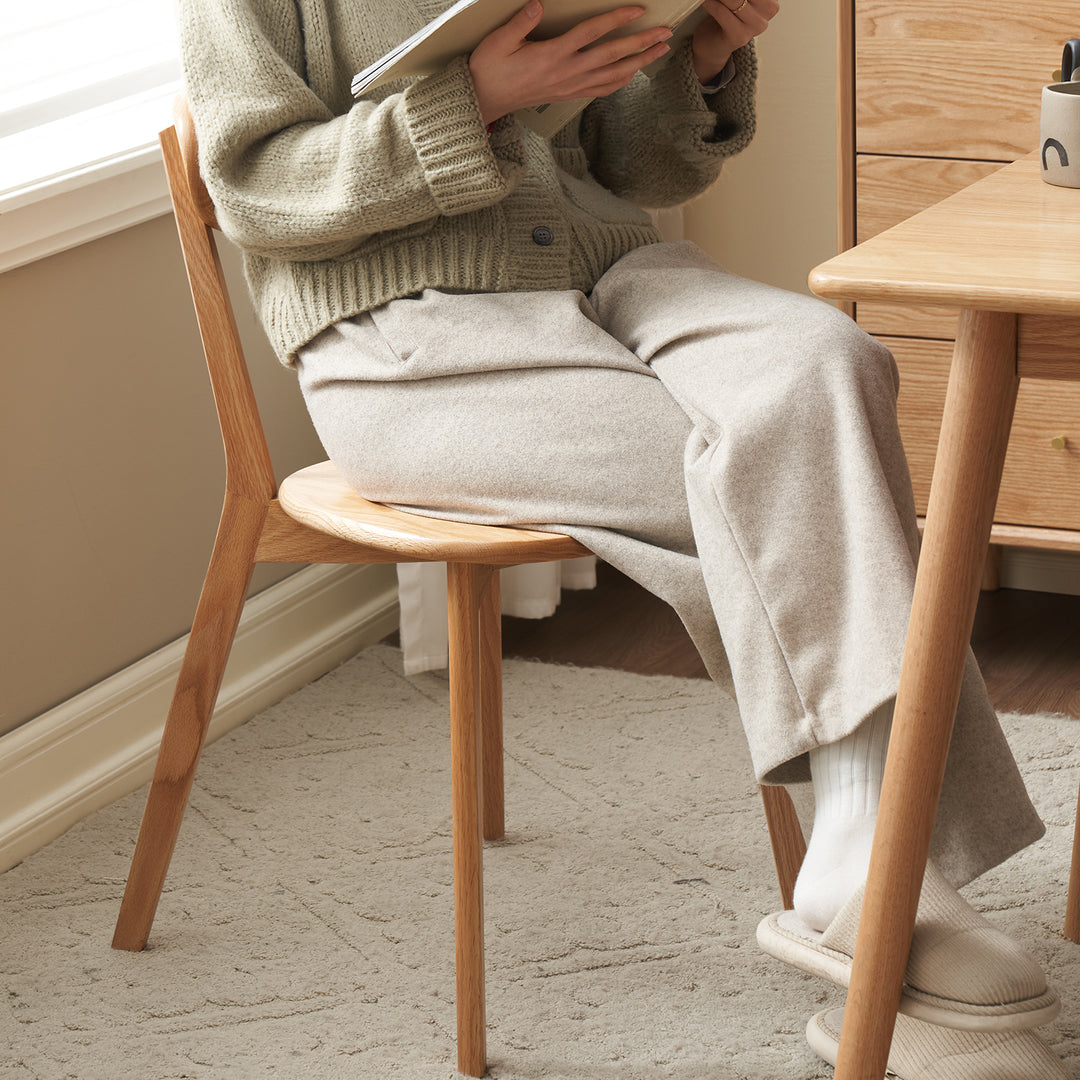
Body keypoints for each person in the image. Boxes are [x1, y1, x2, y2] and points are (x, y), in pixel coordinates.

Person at [178, 0, 1066, 1073]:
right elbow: (254, 190)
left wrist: (694, 55)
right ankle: (884, 896)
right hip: (405, 335)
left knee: (829, 365)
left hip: (612, 283)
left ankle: (864, 857)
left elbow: (636, 172)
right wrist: (475, 102)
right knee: (766, 467)